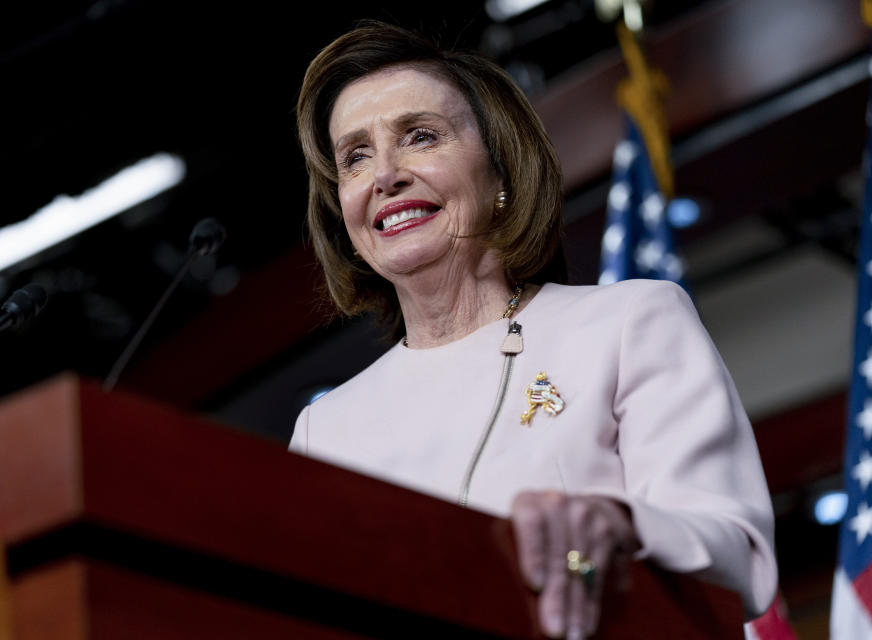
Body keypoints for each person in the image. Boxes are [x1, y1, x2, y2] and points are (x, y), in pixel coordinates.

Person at [289, 21, 777, 638]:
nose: (385, 174)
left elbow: (742, 557)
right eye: (355, 156)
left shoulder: (628, 323)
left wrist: (621, 524)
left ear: (501, 171)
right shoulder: (324, 429)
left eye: (420, 136)